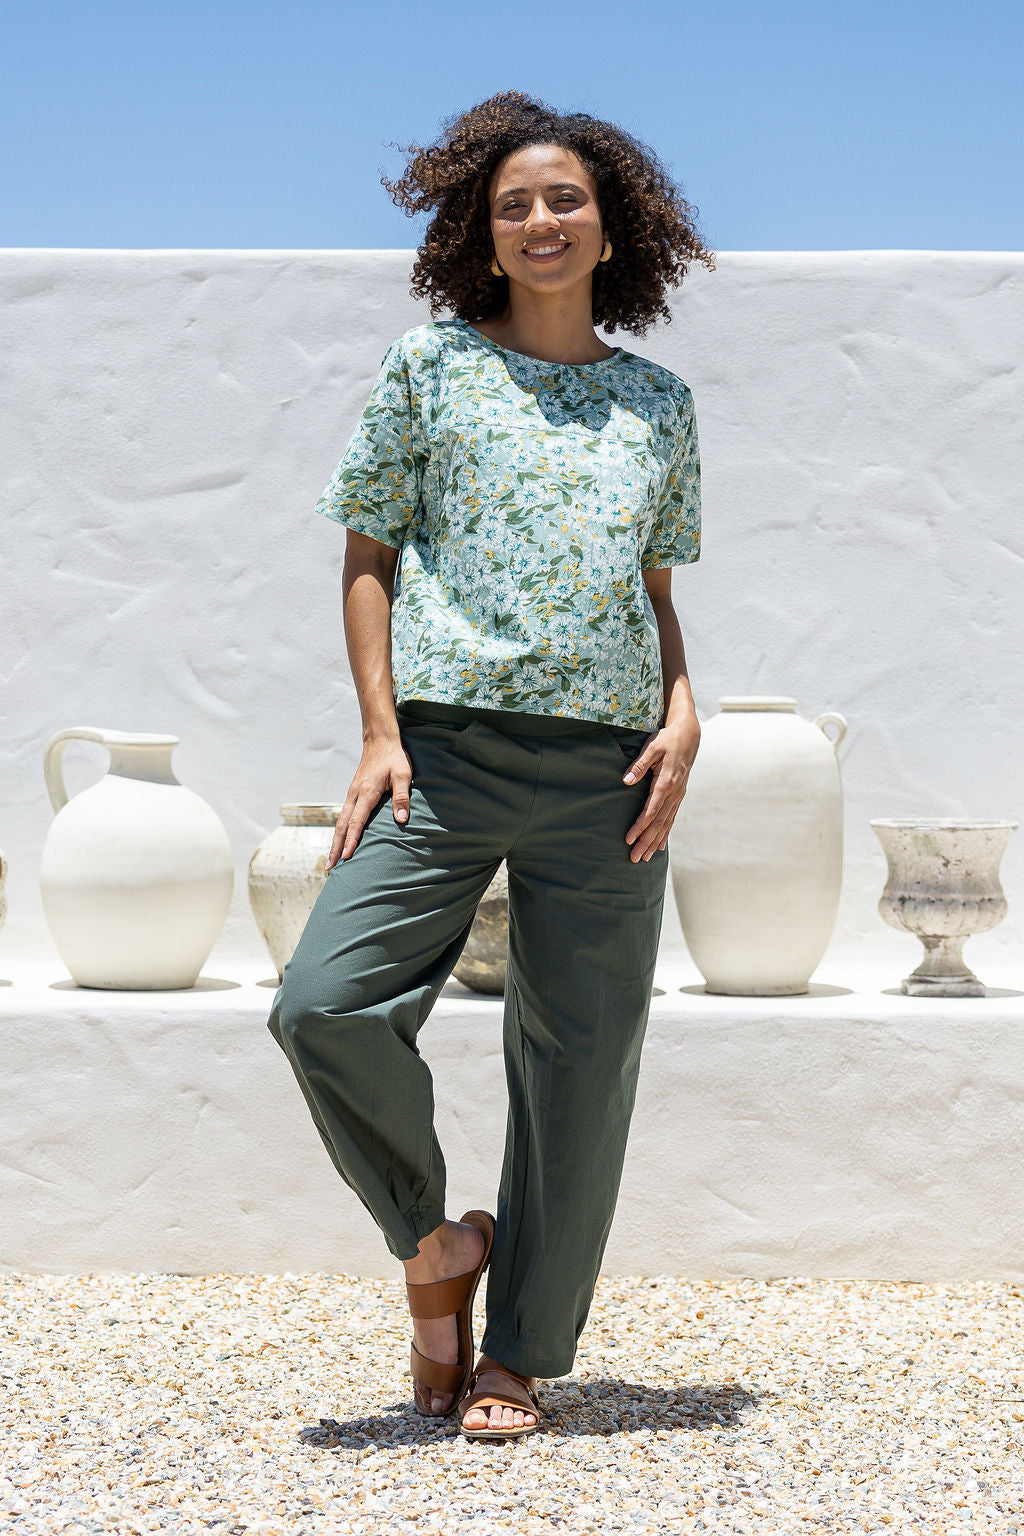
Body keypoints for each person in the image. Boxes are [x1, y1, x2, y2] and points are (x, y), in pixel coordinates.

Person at [267, 88, 715, 1440]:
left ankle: (517, 1353)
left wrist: (687, 707)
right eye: (512, 202)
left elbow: (653, 586)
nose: (539, 219)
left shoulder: (659, 404)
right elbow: (368, 557)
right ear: (482, 227)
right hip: (444, 755)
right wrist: (379, 732)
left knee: (582, 1066)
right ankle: (432, 1241)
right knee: (323, 1004)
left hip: (613, 770)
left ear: (611, 223)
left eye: (564, 197)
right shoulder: (432, 370)